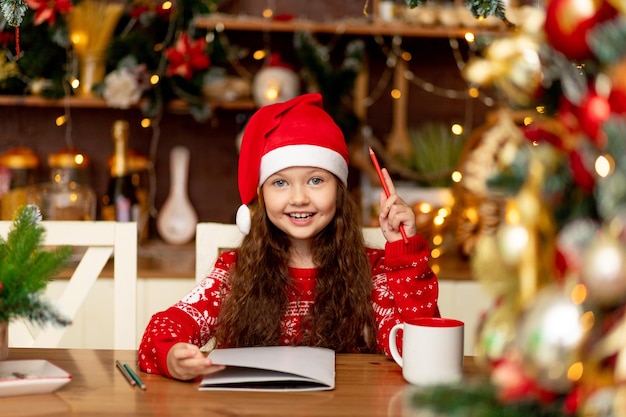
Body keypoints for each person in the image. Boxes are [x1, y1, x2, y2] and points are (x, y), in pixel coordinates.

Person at [138, 93, 439, 381]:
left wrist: (405, 253)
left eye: (316, 180)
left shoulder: (375, 272)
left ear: (339, 189)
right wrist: (173, 356)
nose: (298, 198)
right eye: (280, 182)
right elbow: (162, 331)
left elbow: (423, 351)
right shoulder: (233, 272)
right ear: (262, 196)